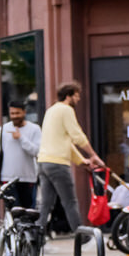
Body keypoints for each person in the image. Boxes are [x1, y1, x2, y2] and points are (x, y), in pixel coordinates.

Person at [36, 82, 94, 233]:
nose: (79, 99)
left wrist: (81, 161)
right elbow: (77, 136)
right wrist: (93, 155)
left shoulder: (51, 110)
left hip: (44, 162)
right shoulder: (66, 110)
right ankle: (84, 238)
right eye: (77, 95)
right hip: (58, 164)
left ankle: (36, 240)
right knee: (70, 202)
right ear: (69, 96)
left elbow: (65, 142)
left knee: (46, 204)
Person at [0, 101, 42, 218]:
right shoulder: (3, 130)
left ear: (24, 113)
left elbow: (37, 152)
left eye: (17, 113)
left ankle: (27, 236)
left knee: (28, 214)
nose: (14, 116)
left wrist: (21, 138)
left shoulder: (34, 129)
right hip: (8, 179)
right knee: (13, 213)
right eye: (12, 113)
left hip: (28, 178)